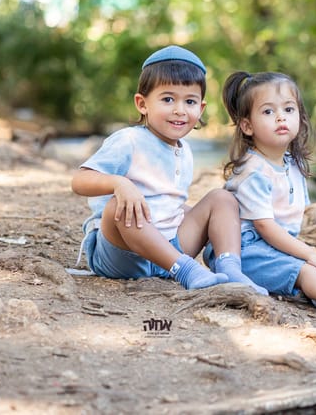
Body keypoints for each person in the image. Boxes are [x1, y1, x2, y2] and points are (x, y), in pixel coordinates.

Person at [71, 45, 266, 295]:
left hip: (170, 249)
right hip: (122, 255)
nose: (179, 110)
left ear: (201, 109)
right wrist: (119, 184)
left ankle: (230, 268)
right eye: (167, 99)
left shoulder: (184, 150)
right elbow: (79, 180)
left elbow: (168, 203)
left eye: (190, 101)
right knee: (117, 207)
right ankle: (186, 270)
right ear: (142, 104)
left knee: (222, 198)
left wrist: (201, 218)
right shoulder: (128, 140)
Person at [204, 70, 316, 333]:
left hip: (270, 245)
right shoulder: (254, 171)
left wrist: (309, 255)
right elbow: (265, 227)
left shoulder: (292, 165)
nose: (280, 117)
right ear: (247, 126)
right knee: (305, 268)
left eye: (288, 109)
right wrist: (309, 254)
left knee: (311, 265)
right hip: (244, 250)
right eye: (267, 112)